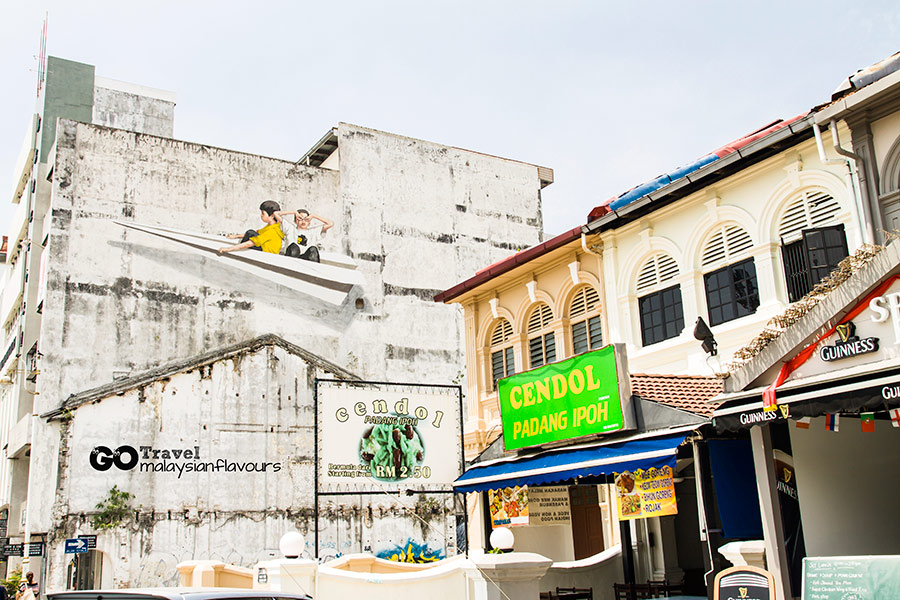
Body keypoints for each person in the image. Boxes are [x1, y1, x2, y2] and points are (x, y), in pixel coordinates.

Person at [218, 201, 285, 254]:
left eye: (263, 213)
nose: (261, 215)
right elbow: (257, 232)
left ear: (272, 216)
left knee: (250, 233)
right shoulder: (273, 226)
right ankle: (239, 246)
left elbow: (251, 243)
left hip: (266, 254)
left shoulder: (272, 231)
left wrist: (228, 249)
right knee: (250, 232)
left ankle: (240, 250)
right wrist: (235, 236)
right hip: (264, 249)